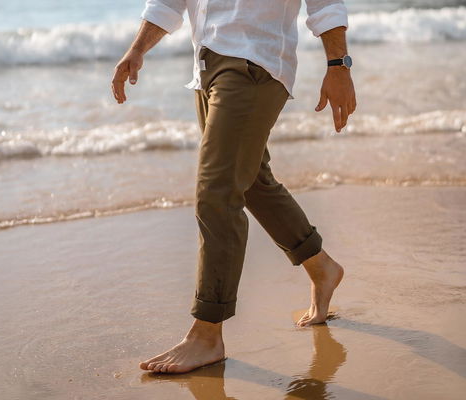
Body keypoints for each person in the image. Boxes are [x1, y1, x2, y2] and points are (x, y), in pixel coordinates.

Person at [111, 0, 356, 374]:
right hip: (206, 67)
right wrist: (137, 48)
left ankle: (207, 333)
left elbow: (326, 4)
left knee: (217, 194)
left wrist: (338, 66)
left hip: (253, 65)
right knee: (253, 181)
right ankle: (321, 267)